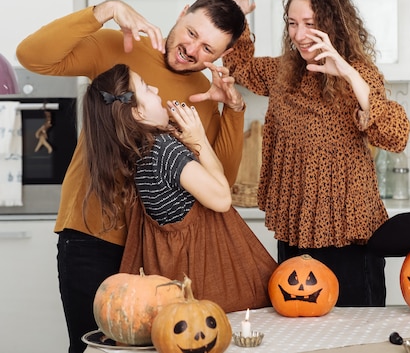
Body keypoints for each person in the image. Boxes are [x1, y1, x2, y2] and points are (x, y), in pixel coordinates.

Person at [16, 0, 248, 353]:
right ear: (183, 12)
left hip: (155, 252)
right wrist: (105, 10)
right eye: (191, 33)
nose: (192, 50)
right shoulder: (119, 48)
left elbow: (220, 187)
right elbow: (32, 57)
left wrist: (233, 111)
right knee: (90, 348)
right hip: (91, 236)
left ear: (222, 56)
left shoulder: (205, 92)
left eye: (208, 50)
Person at [219, 0, 410, 307]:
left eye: (310, 23)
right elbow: (240, 67)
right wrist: (236, 14)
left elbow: (395, 134)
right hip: (294, 229)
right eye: (292, 24)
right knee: (298, 329)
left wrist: (347, 73)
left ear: (332, 24)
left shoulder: (360, 75)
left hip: (349, 235)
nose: (298, 33)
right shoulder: (284, 71)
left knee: (357, 334)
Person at [82, 63, 276, 313]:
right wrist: (199, 139)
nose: (154, 87)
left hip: (177, 297)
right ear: (138, 113)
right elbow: (221, 198)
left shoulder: (141, 153)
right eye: (145, 87)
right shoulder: (164, 150)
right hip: (210, 294)